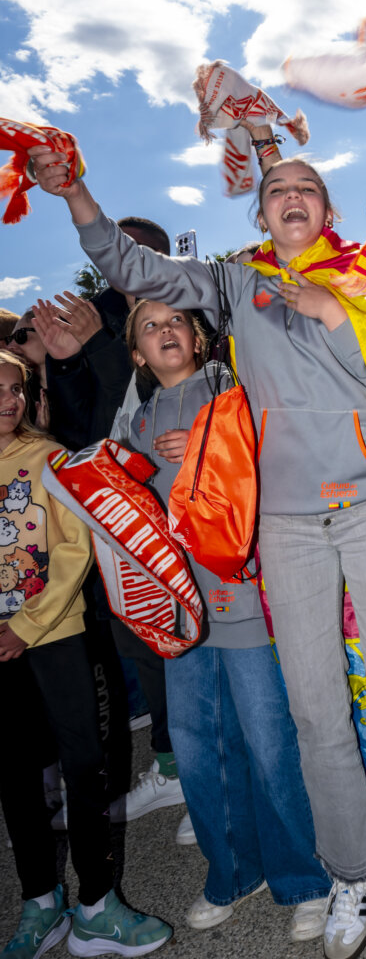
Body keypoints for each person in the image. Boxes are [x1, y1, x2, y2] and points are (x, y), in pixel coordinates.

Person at [29, 145, 366, 959]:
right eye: (276, 190)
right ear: (260, 213)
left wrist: (333, 309)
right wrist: (78, 198)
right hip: (284, 524)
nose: (290, 197)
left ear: (327, 207)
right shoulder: (236, 282)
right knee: (313, 710)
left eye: (306, 187)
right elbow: (136, 268)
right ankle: (350, 868)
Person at [123, 297, 331, 941]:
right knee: (198, 746)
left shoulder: (233, 389)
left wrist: (214, 449)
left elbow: (277, 458)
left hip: (240, 601)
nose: (165, 332)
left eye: (176, 321)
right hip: (177, 612)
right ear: (136, 355)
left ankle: (305, 876)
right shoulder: (136, 425)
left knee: (271, 744)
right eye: (149, 327)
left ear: (199, 335)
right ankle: (233, 869)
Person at [0, 349, 172, 959]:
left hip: (56, 636)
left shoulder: (48, 459)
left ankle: (99, 907)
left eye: (17, 388)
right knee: (15, 781)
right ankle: (40, 904)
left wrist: (27, 623)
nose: (9, 399)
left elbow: (74, 549)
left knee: (85, 766)